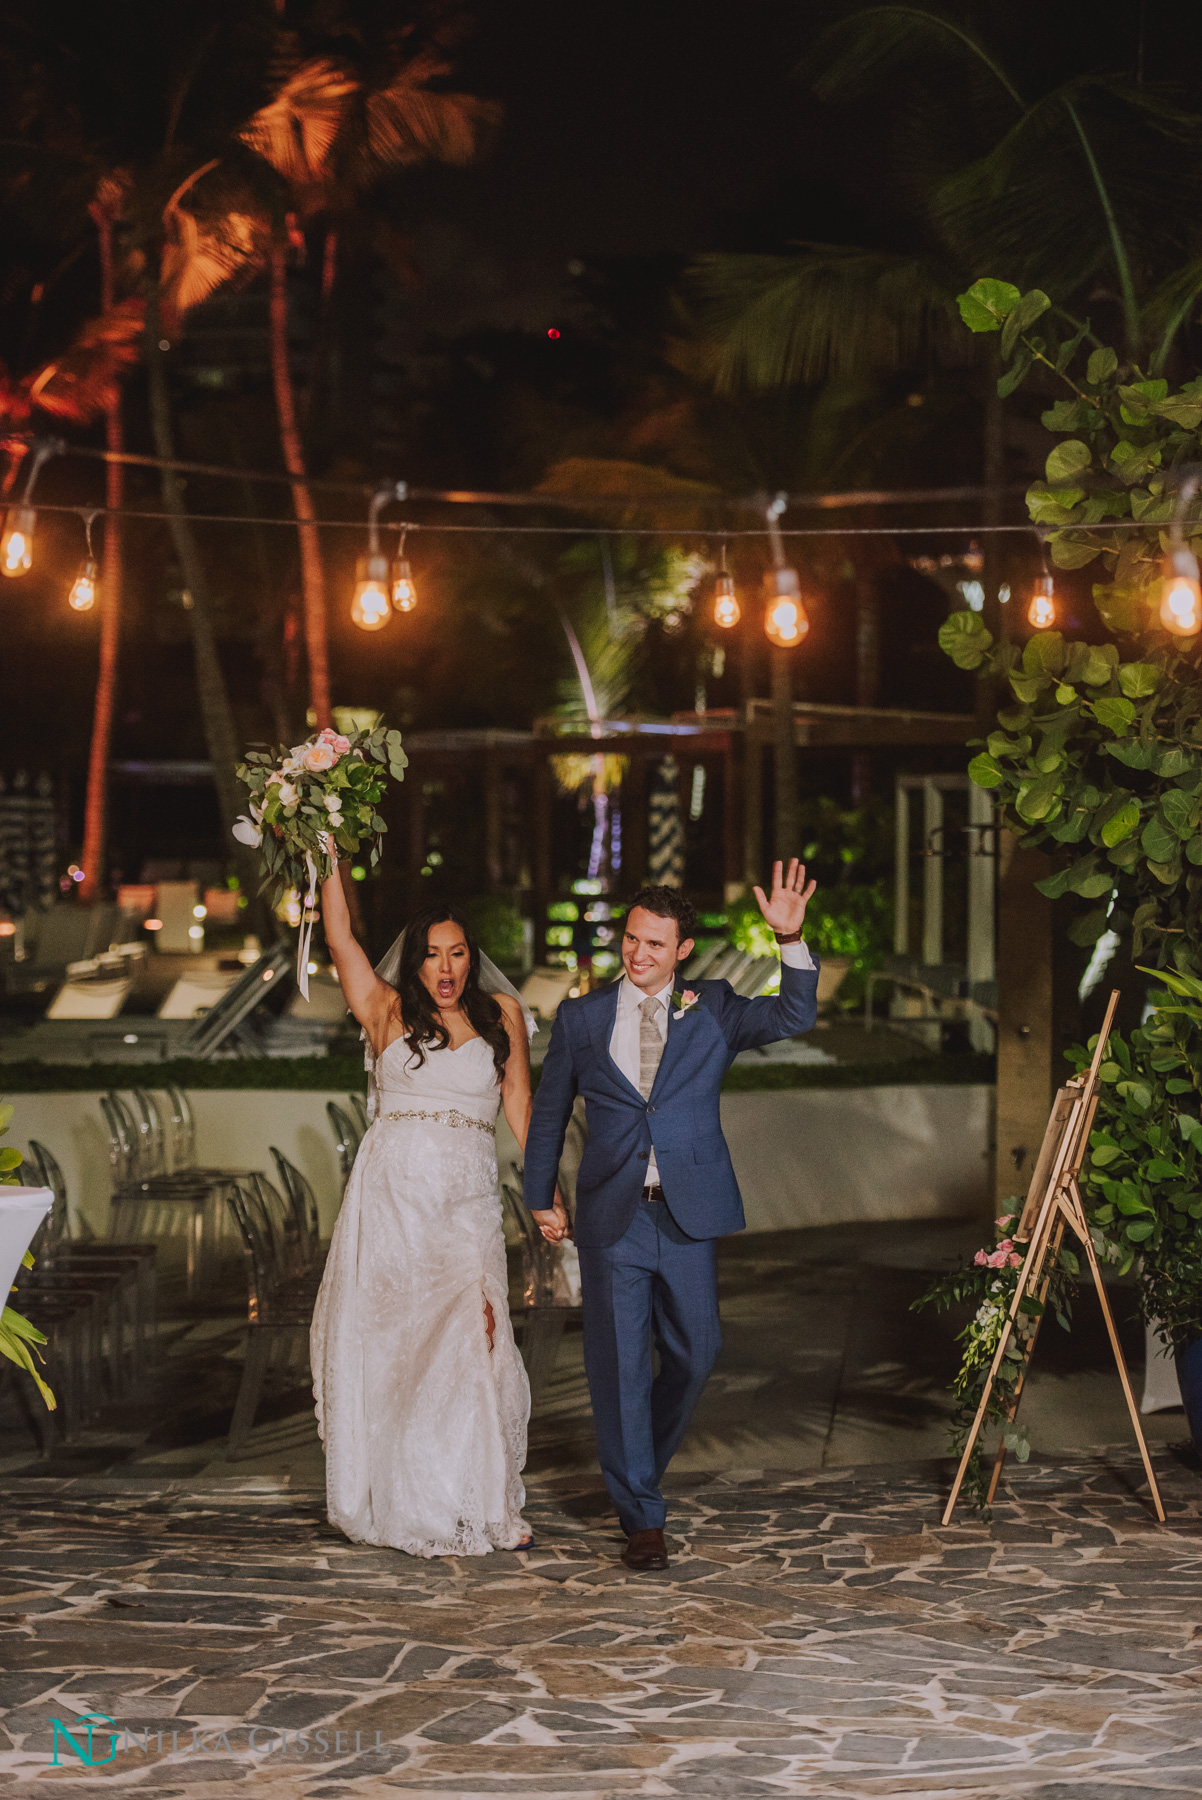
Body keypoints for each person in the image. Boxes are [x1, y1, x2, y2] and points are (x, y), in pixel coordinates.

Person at [521, 859, 819, 1571]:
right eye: (631, 939)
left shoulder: (711, 1005)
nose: (638, 953)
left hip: (686, 1214)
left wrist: (790, 942)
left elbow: (793, 1014)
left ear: (682, 948)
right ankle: (642, 1518)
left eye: (655, 943)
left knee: (697, 1351)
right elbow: (550, 1111)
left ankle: (636, 1462)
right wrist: (539, 1193)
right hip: (611, 1217)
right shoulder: (583, 1017)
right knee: (619, 1367)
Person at [311, 867, 535, 1557]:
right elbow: (341, 932)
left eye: (458, 952)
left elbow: (523, 1108)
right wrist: (328, 843)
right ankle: (408, 1499)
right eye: (434, 953)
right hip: (392, 1203)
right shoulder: (383, 1009)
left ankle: (484, 1505)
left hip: (465, 1203)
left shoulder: (503, 1015)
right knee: (396, 1350)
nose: (447, 967)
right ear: (416, 959)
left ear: (472, 956)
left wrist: (547, 1193)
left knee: (477, 1333)